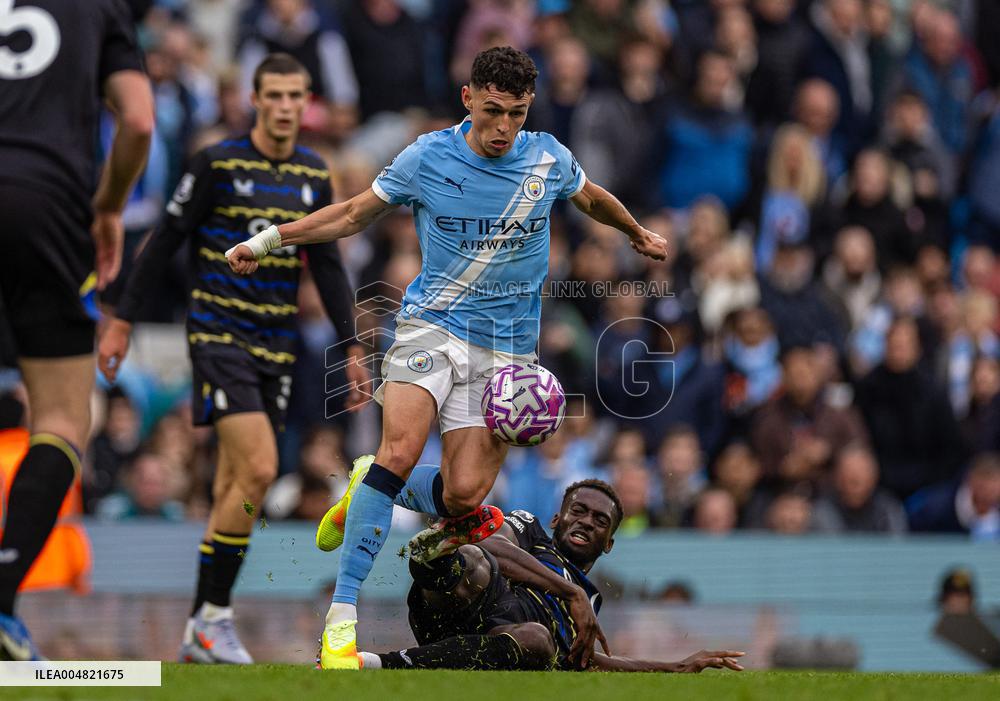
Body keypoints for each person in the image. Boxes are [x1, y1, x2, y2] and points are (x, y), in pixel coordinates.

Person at [227, 46, 668, 669]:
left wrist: (634, 232)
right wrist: (270, 239)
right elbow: (353, 213)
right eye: (492, 111)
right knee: (401, 447)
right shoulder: (428, 156)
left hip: (506, 354)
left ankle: (370, 484)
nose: (503, 127)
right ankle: (342, 617)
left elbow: (591, 196)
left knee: (463, 498)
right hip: (430, 326)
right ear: (469, 99)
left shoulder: (547, 156)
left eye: (515, 113)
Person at [97, 53, 367, 664]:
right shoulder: (216, 163)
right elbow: (164, 239)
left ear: (306, 102)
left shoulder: (313, 173)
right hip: (219, 336)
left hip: (278, 347)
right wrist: (120, 321)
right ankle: (216, 617)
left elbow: (324, 264)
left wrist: (352, 346)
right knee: (262, 469)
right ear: (255, 98)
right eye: (272, 95)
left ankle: (200, 627)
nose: (283, 106)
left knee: (234, 488)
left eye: (294, 96)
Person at [0, 0, 153, 660]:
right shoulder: (97, 6)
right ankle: (2, 599)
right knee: (62, 417)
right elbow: (140, 122)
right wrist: (110, 207)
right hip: (47, 202)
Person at [358, 479, 745, 673]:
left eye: (600, 521)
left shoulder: (589, 603)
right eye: (578, 511)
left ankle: (380, 663)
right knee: (475, 557)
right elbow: (491, 541)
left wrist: (676, 667)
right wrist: (568, 591)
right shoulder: (531, 530)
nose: (586, 522)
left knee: (539, 640)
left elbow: (588, 662)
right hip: (456, 603)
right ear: (558, 518)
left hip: (490, 643)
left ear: (609, 542)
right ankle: (436, 558)